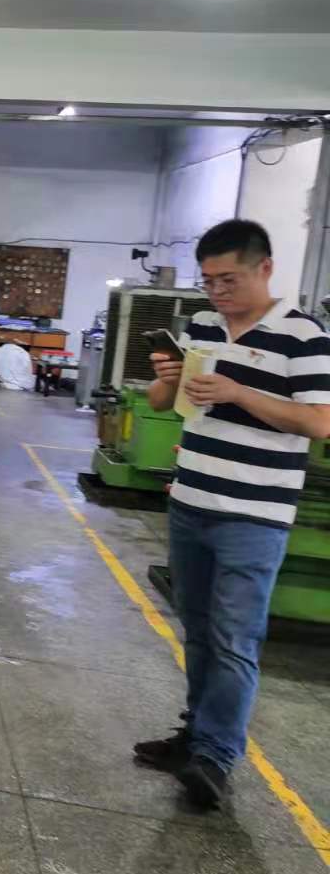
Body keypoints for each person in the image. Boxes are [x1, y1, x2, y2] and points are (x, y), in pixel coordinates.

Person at [135, 219, 330, 808]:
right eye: (209, 280)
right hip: (192, 501)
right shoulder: (201, 326)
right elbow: (164, 402)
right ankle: (195, 735)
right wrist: (169, 379)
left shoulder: (304, 336)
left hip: (254, 515)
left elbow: (319, 422)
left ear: (264, 268)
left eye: (229, 279)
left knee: (233, 638)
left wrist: (238, 391)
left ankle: (216, 758)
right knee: (198, 631)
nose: (217, 291)